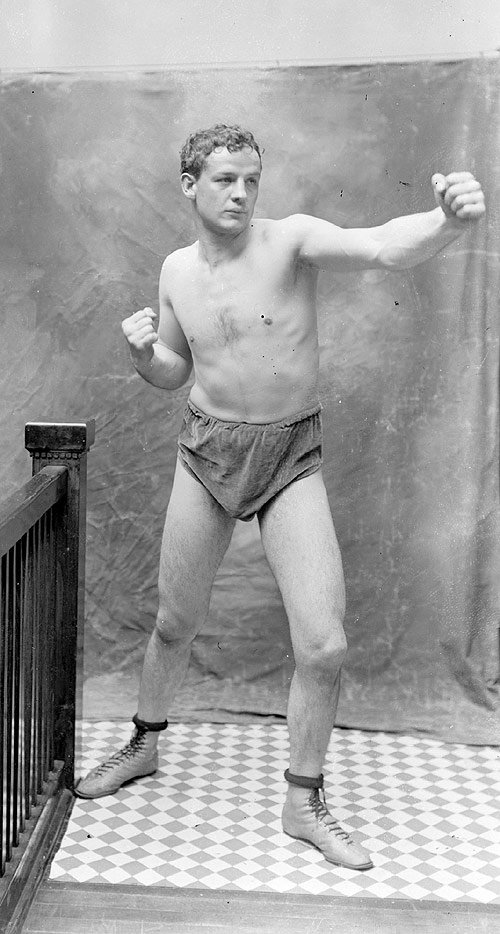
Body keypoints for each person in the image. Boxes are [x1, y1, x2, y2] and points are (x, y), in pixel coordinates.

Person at [75, 124, 485, 870]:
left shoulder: (291, 240)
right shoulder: (175, 270)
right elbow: (174, 368)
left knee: (324, 643)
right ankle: (143, 742)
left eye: (251, 179)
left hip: (289, 453)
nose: (241, 193)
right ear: (190, 185)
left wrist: (446, 223)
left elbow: (382, 245)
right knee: (173, 621)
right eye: (225, 178)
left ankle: (303, 801)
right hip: (207, 450)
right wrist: (144, 355)